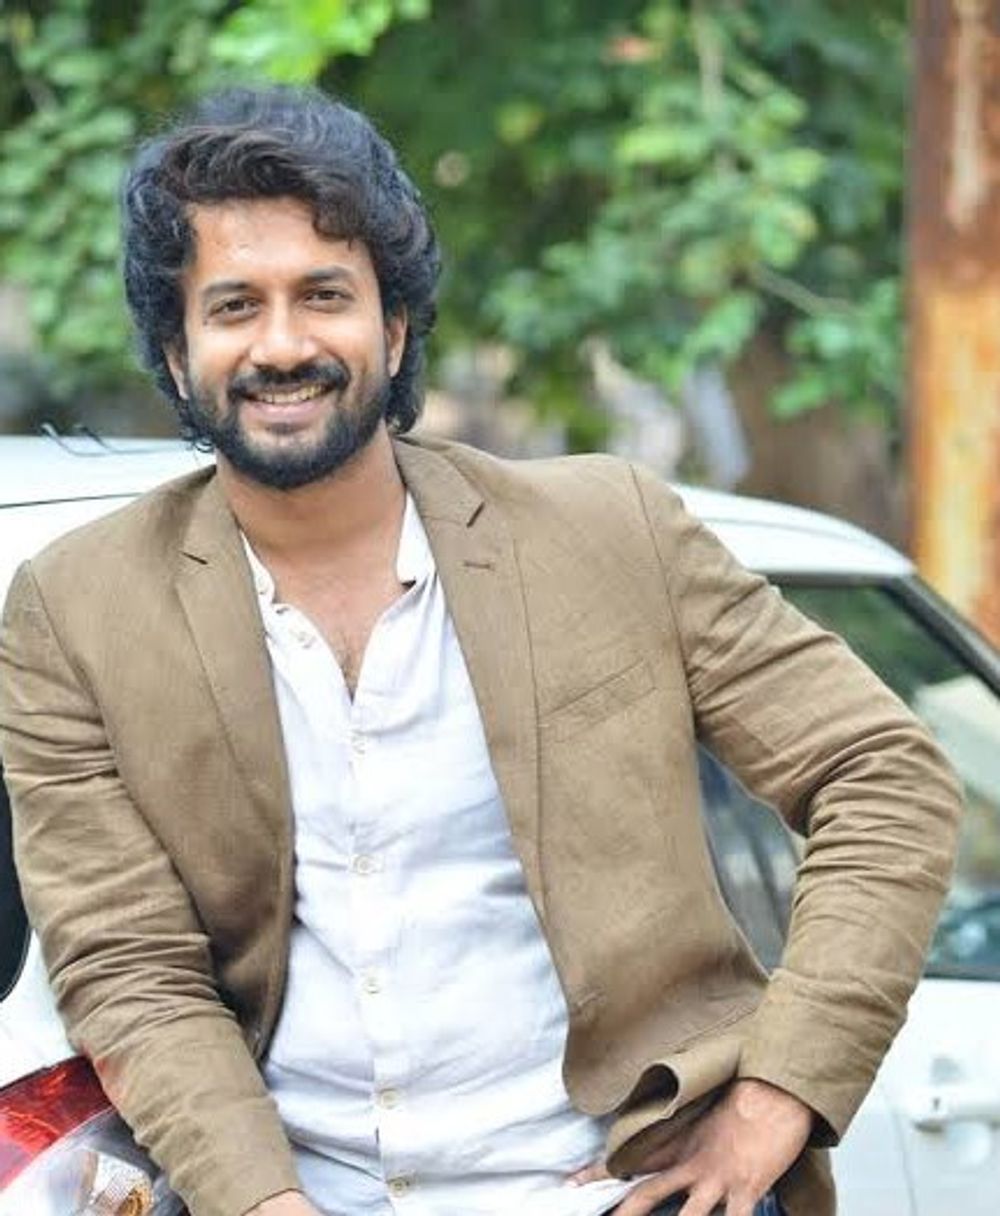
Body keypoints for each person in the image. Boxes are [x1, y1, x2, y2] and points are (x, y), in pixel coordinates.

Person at [0, 86, 961, 1216]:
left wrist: (778, 1095)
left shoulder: (607, 532)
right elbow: (129, 967)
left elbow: (882, 774)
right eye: (233, 306)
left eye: (324, 295)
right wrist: (263, 1205)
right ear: (177, 351)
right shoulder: (77, 611)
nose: (283, 344)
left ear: (395, 328)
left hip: (618, 1191)